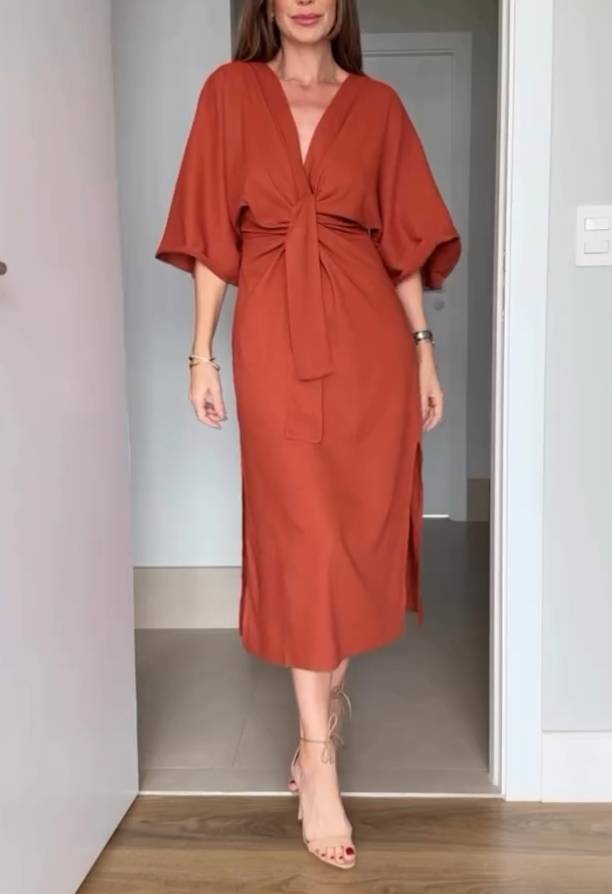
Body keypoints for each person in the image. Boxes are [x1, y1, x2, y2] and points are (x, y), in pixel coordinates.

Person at [155, 0, 461, 870]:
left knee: (355, 530)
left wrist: (423, 348)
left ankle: (320, 718)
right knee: (303, 540)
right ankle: (318, 759)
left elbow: (400, 244)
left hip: (369, 345)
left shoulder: (378, 106)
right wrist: (201, 352)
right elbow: (212, 236)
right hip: (275, 339)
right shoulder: (230, 92)